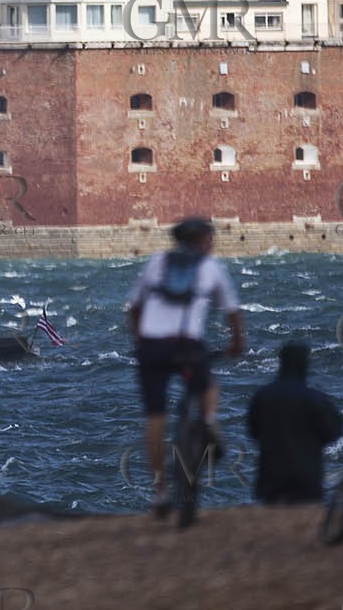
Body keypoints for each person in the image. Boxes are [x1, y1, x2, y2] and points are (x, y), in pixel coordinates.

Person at [126, 217, 245, 517]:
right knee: (208, 385)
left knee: (155, 418)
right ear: (204, 241)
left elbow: (134, 307)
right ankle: (207, 421)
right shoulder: (210, 267)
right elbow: (231, 312)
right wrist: (236, 345)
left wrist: (140, 341)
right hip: (188, 345)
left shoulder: (157, 262)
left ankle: (160, 493)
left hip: (152, 346)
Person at [247, 340, 342, 504]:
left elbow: (253, 431)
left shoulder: (262, 396)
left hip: (271, 478)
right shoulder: (315, 398)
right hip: (306, 478)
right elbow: (333, 432)